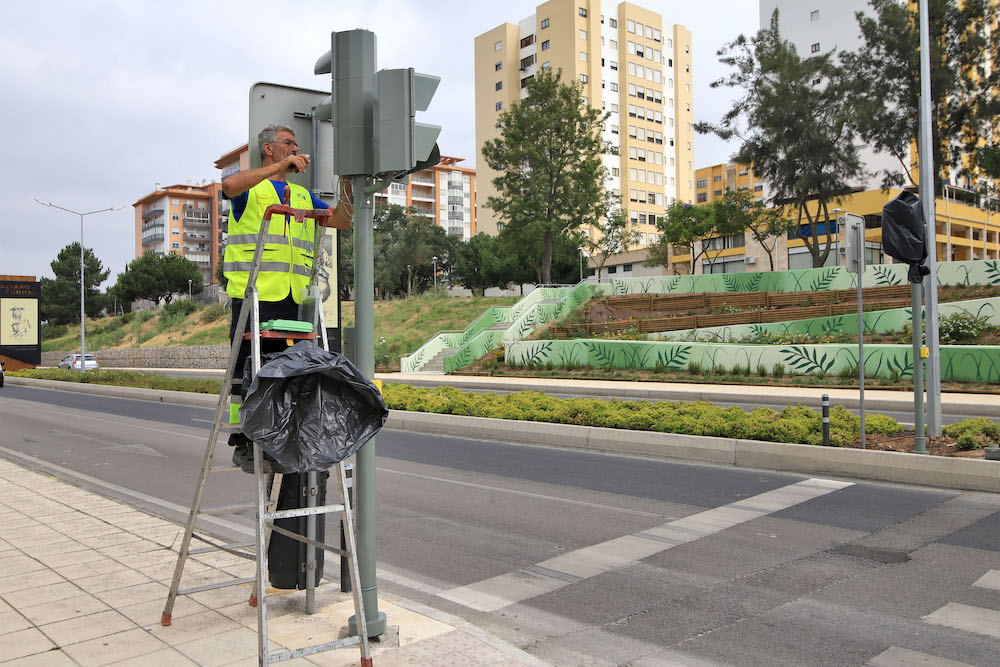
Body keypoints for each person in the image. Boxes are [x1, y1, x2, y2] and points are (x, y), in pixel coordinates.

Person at [221, 123, 352, 473]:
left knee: (290, 374)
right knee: (249, 372)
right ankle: (244, 443)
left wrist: (348, 180)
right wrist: (280, 168)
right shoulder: (253, 188)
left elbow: (341, 220)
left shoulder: (303, 197)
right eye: (288, 143)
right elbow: (228, 186)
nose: (295, 149)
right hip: (255, 296)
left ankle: (280, 443)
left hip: (295, 299)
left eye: (296, 145)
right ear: (269, 149)